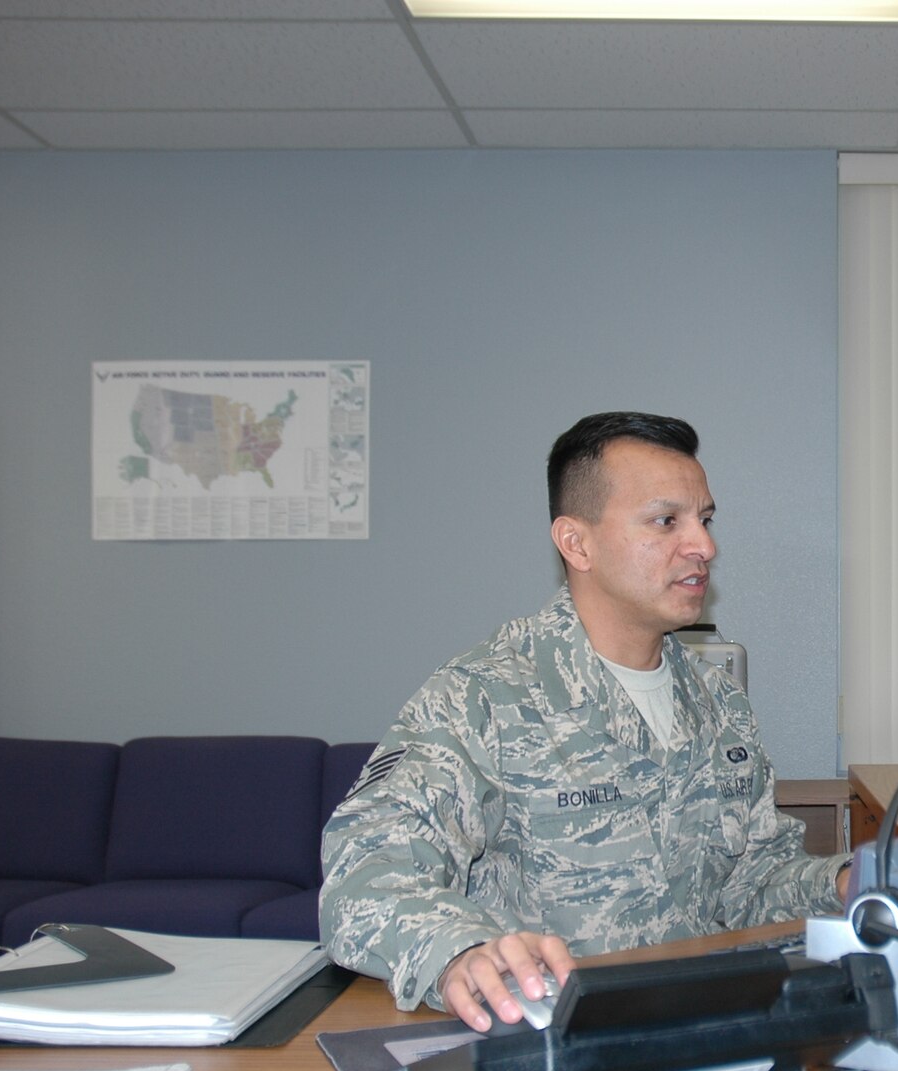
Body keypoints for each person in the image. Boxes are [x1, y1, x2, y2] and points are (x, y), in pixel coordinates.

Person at [320, 411, 849, 1031]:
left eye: (704, 520)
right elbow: (363, 874)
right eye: (665, 520)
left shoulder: (718, 704)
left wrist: (844, 882)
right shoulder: (487, 695)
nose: (704, 545)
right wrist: (458, 951)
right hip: (558, 1045)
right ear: (577, 543)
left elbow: (749, 885)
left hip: (707, 1030)